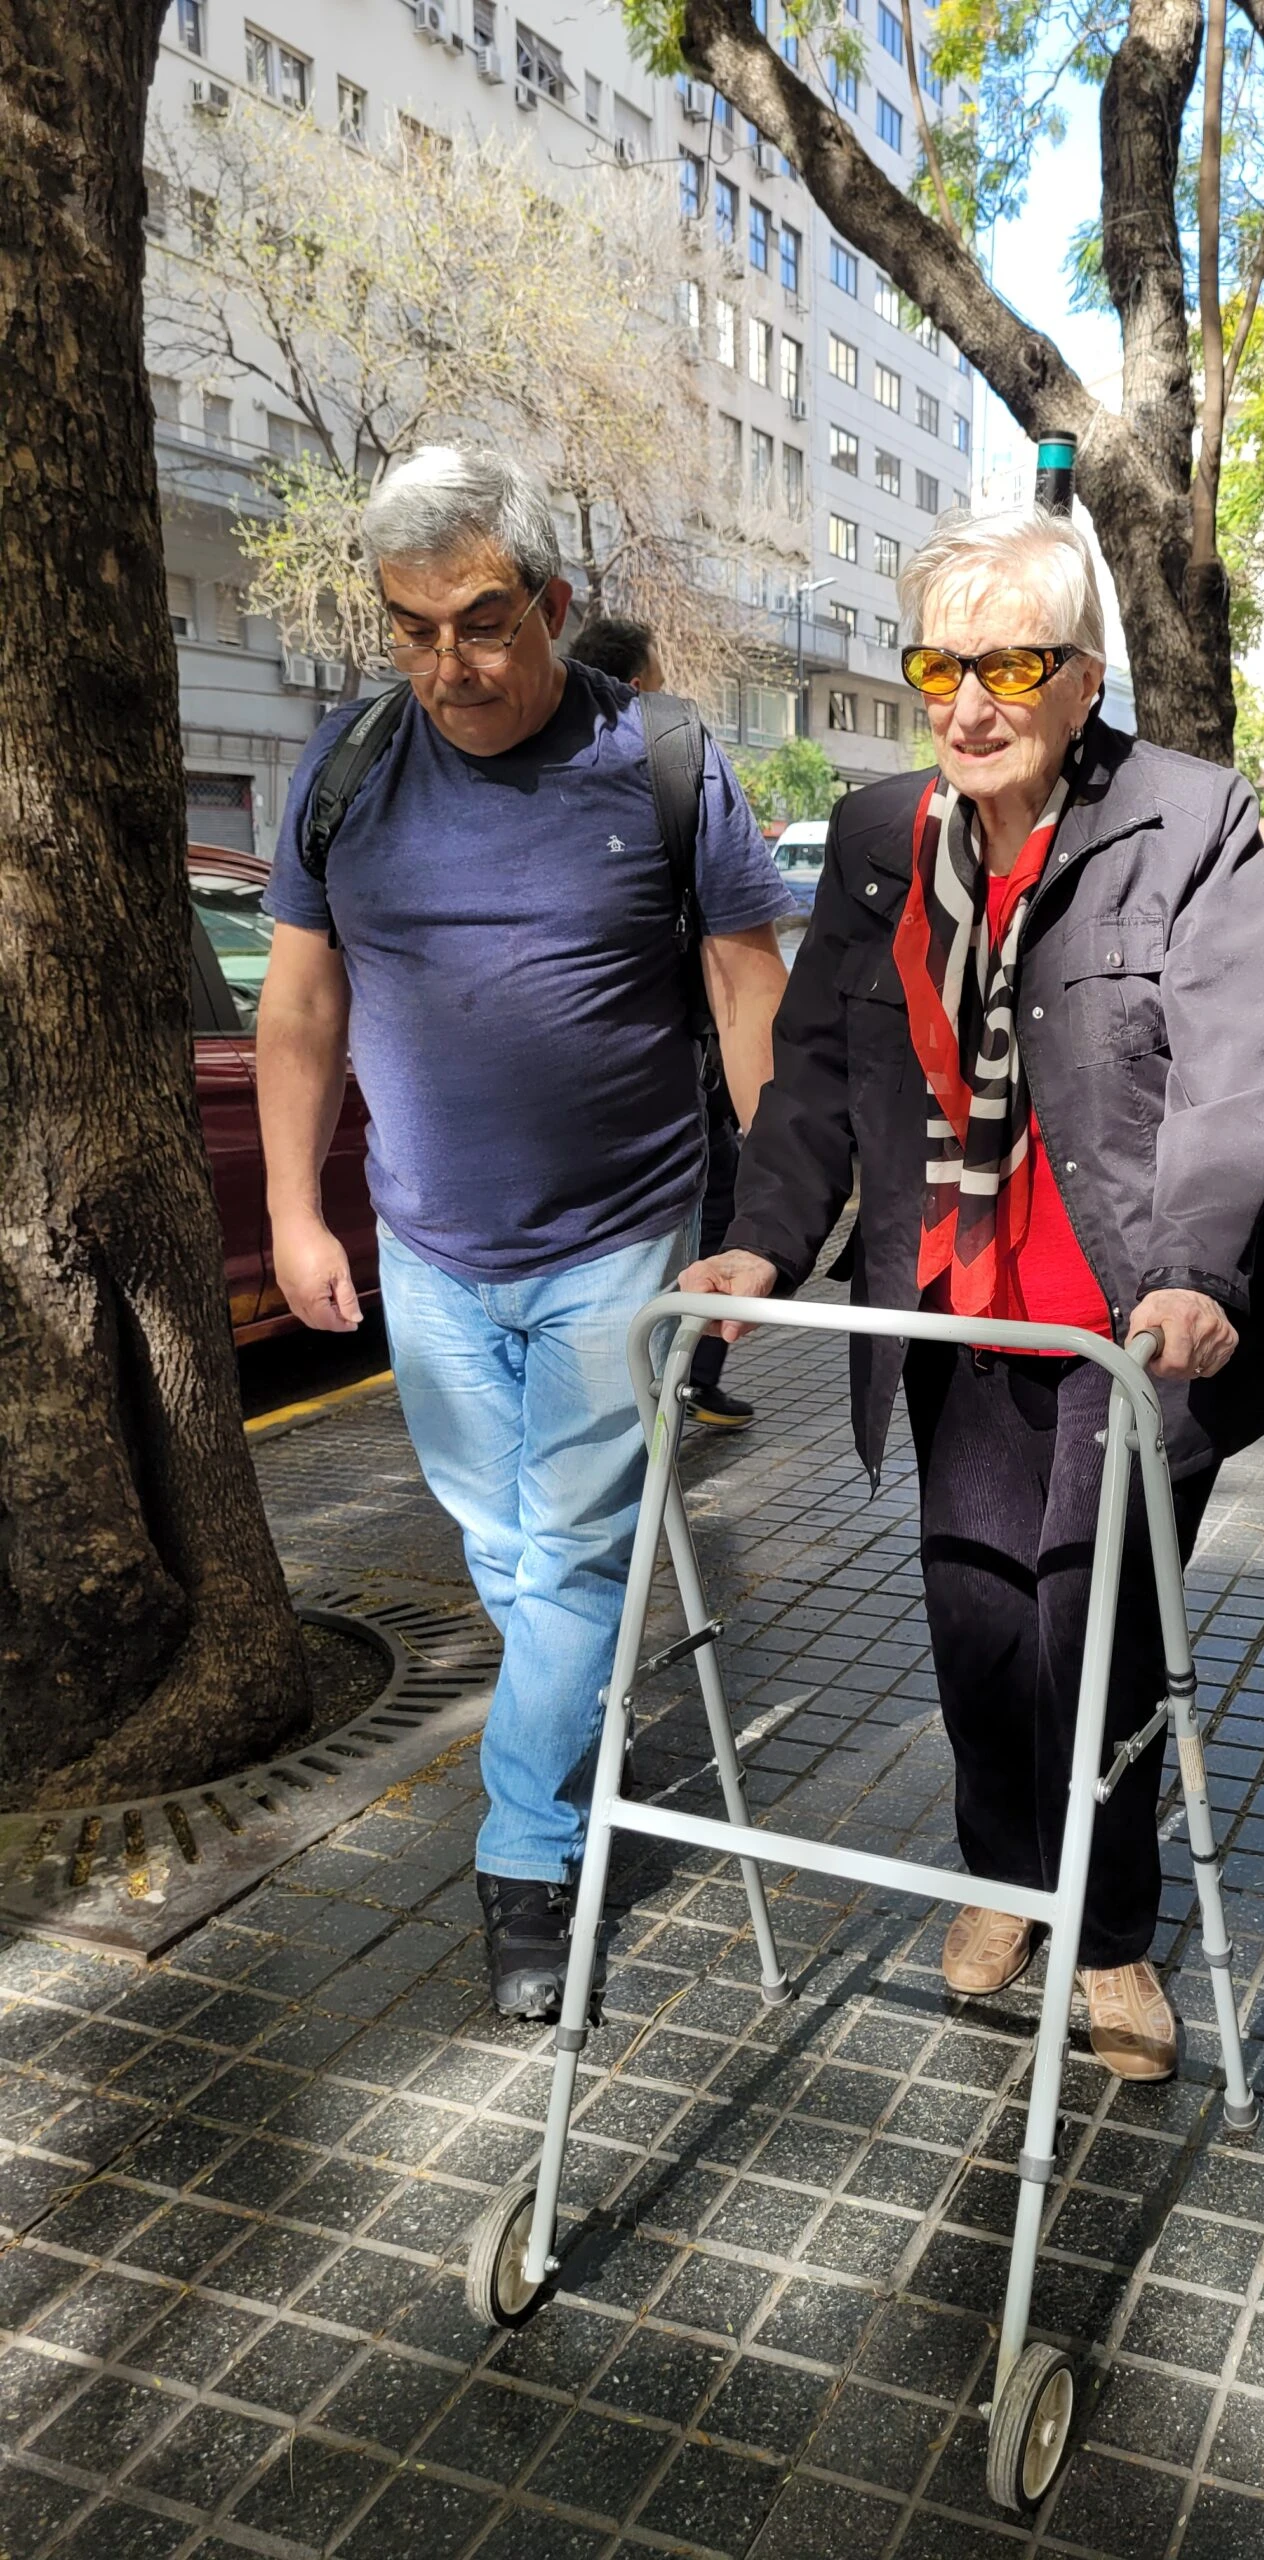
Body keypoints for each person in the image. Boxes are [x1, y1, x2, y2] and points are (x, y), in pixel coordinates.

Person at [680, 508, 1264, 2080]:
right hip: (954, 1307)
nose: (968, 705)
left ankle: (1107, 1933)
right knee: (976, 1615)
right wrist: (764, 1242)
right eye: (940, 668)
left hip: (1132, 1320)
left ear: (1082, 675)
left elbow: (1232, 1075)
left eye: (1010, 667)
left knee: (1089, 1628)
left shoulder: (1186, 816)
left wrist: (1194, 1275)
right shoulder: (882, 832)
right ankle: (1002, 1872)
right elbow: (817, 1074)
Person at [256, 447, 792, 2020]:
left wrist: (768, 1220)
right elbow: (300, 1007)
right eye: (412, 629)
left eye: (482, 623)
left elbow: (747, 992)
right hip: (425, 1248)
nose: (450, 665)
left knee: (563, 1552)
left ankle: (525, 1852)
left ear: (551, 604)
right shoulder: (347, 766)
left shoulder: (661, 758)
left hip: (619, 1240)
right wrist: (294, 1211)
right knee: (505, 1551)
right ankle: (570, 1719)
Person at [568, 614, 757, 1434]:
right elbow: (741, 971)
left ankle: (680, 1376)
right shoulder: (667, 762)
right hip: (676, 1075)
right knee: (720, 1198)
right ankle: (690, 1372)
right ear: (638, 686)